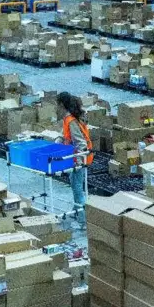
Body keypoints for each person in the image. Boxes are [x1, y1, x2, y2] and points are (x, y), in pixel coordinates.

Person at [56, 91, 93, 227]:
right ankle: (77, 209)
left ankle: (83, 218)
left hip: (79, 159)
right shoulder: (69, 118)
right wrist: (58, 140)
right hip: (75, 157)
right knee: (74, 184)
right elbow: (66, 134)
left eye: (57, 105)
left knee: (77, 187)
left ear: (61, 105)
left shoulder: (70, 120)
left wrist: (78, 161)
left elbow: (81, 143)